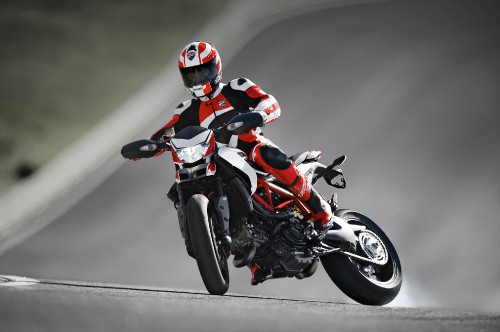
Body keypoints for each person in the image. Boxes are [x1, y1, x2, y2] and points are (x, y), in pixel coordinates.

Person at [147, 41, 334, 282]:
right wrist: (150, 144)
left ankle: (320, 210)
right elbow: (166, 131)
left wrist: (258, 114)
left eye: (202, 71)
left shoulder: (238, 87)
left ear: (216, 68)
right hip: (214, 161)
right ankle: (246, 252)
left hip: (250, 148)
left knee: (268, 155)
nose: (197, 79)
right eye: (190, 75)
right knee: (181, 187)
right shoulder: (185, 111)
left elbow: (270, 102)